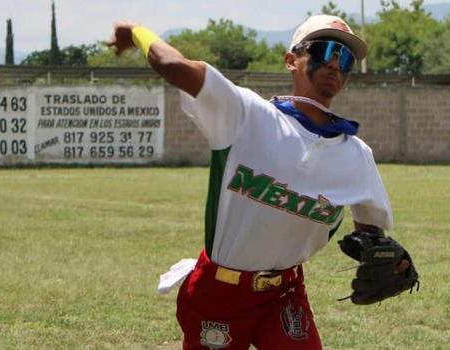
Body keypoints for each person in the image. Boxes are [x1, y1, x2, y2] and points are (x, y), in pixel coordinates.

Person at [110, 15, 406, 350]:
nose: (335, 64)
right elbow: (172, 64)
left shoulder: (356, 155)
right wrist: (135, 32)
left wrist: (386, 255)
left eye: (346, 57)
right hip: (219, 291)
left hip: (285, 293)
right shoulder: (246, 115)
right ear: (291, 60)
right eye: (325, 50)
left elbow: (370, 233)